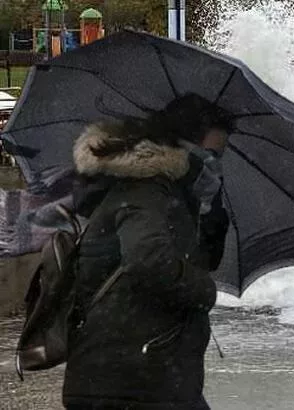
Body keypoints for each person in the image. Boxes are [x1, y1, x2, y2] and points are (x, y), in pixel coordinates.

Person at [62, 94, 231, 409]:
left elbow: (203, 259)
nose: (213, 164)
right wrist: (205, 291)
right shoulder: (146, 190)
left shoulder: (173, 197)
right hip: (131, 377)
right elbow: (147, 259)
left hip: (142, 372)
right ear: (184, 147)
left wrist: (211, 212)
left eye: (219, 157)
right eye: (209, 155)